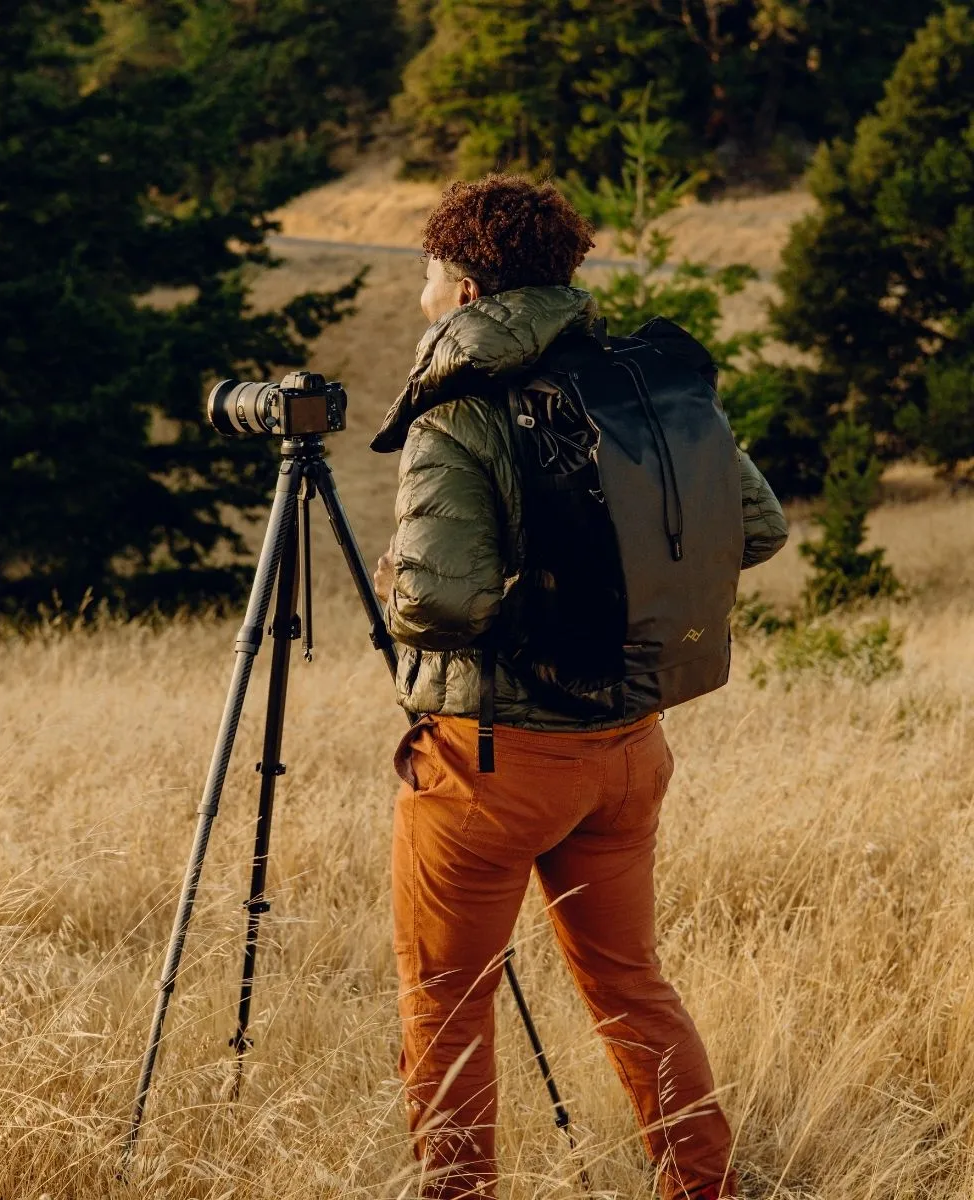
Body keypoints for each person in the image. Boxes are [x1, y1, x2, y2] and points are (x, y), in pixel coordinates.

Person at [370, 174, 788, 1200]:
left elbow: (438, 605)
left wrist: (423, 580)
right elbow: (763, 527)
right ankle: (704, 1186)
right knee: (629, 985)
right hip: (629, 744)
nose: (426, 287)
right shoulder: (644, 386)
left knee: (445, 998)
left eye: (432, 270)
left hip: (495, 760)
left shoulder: (457, 412)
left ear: (463, 286)